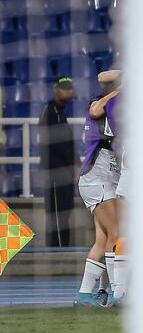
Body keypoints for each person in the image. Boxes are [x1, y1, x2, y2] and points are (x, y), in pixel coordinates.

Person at [74, 77, 121, 307]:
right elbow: (94, 110)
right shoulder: (100, 104)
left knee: (102, 240)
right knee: (117, 233)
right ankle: (117, 292)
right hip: (96, 179)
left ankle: (84, 294)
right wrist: (117, 91)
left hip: (104, 181)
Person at [38, 77, 77, 247]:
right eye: (64, 88)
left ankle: (63, 248)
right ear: (56, 90)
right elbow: (51, 144)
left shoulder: (61, 112)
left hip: (65, 173)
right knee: (57, 213)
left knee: (64, 212)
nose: (69, 91)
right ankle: (57, 250)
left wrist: (75, 165)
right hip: (55, 174)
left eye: (70, 88)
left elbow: (67, 145)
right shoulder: (50, 111)